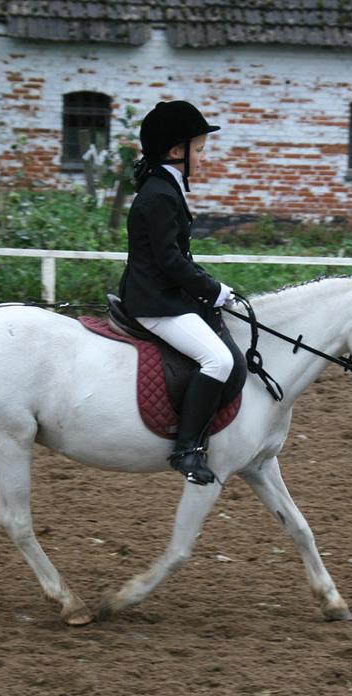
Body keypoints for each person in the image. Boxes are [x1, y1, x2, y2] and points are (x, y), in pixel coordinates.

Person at [118, 100, 236, 486]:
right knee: (218, 360)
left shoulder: (165, 187)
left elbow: (177, 257)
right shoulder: (161, 194)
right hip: (155, 302)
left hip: (165, 294)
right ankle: (186, 448)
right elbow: (171, 261)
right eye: (199, 150)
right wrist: (213, 290)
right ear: (175, 151)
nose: (203, 158)